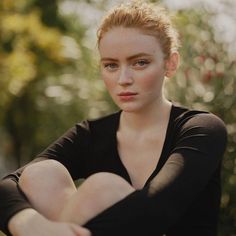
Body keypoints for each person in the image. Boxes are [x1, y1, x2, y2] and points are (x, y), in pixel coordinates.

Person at [0, 1, 227, 236]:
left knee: (102, 188)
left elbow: (157, 208)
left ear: (170, 64)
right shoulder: (90, 135)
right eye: (111, 65)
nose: (123, 79)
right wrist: (30, 224)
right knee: (40, 175)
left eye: (140, 62)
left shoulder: (201, 129)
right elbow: (7, 185)